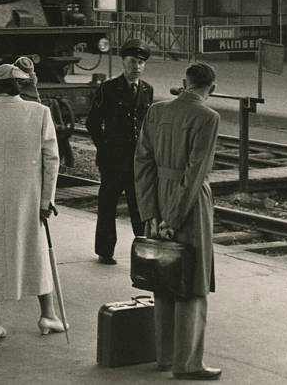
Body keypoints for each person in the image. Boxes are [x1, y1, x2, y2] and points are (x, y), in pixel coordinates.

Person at [0, 63, 64, 343]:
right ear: (20, 86)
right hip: (28, 198)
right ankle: (47, 315)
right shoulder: (40, 113)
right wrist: (46, 200)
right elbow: (51, 161)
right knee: (36, 252)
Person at [134, 62, 221, 381]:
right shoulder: (208, 117)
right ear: (211, 87)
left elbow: (141, 163)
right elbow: (196, 173)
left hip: (156, 196)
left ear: (184, 83)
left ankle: (164, 356)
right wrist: (172, 219)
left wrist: (151, 214)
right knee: (192, 281)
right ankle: (188, 363)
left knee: (164, 276)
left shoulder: (156, 111)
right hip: (189, 206)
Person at [85, 38, 153, 265]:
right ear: (123, 62)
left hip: (137, 162)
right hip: (112, 161)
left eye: (141, 63)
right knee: (107, 206)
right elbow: (93, 123)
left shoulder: (146, 90)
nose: (137, 67)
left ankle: (143, 251)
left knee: (139, 207)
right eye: (133, 62)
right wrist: (104, 148)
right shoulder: (108, 89)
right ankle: (105, 251)